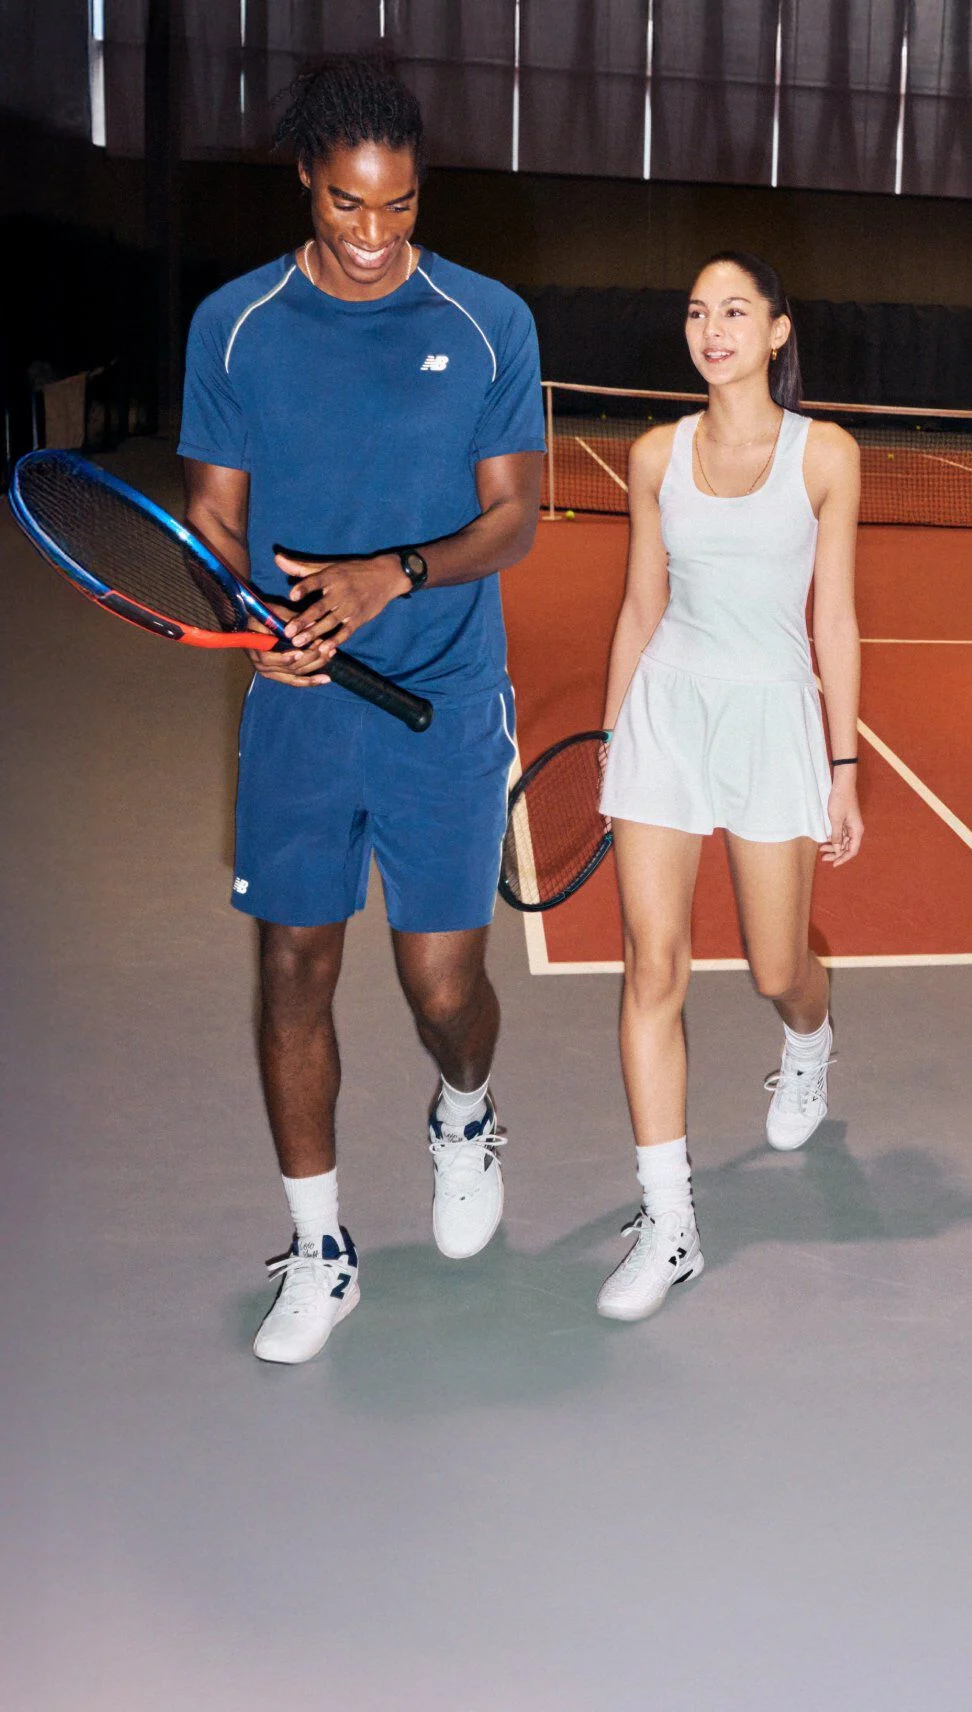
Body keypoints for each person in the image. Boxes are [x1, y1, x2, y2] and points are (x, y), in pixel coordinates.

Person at [178, 54, 545, 1363]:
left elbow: (514, 517)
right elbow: (215, 516)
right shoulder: (236, 324)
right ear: (307, 183)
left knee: (443, 985)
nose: (378, 237)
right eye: (348, 206)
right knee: (294, 964)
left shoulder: (490, 317)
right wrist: (251, 614)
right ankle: (321, 1244)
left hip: (445, 697)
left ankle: (466, 1112)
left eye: (399, 207)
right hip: (301, 707)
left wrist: (388, 574)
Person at [596, 251, 864, 1323]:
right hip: (667, 709)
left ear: (778, 331)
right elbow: (637, 605)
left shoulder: (827, 455)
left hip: (770, 716)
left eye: (736, 310)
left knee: (774, 963)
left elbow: (834, 618)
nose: (713, 328)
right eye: (699, 310)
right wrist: (616, 736)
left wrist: (843, 766)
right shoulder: (654, 452)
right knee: (650, 964)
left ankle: (810, 1037)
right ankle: (670, 1220)